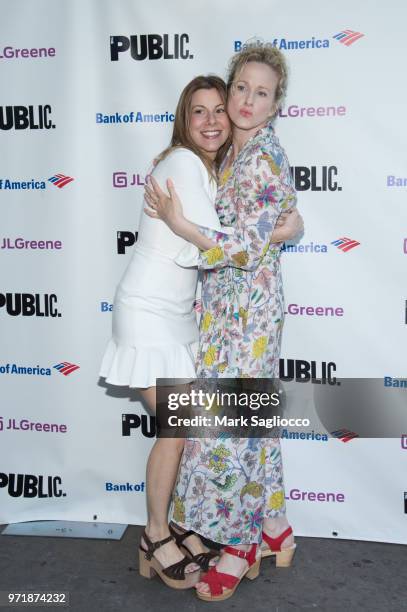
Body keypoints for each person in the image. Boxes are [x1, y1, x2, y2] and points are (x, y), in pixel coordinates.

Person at [144, 44, 302, 601]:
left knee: (234, 425)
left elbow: (244, 247)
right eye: (241, 88)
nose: (246, 100)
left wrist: (181, 224)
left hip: (249, 312)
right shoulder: (231, 154)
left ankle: (239, 546)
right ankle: (275, 527)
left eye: (261, 93)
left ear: (275, 103)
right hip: (222, 309)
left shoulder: (263, 156)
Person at [100, 75, 231, 589]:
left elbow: (198, 241)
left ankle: (174, 524)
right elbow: (203, 246)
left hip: (174, 318)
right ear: (184, 119)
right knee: (176, 430)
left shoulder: (199, 170)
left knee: (184, 431)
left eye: (219, 109)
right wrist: (270, 233)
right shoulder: (181, 164)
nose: (212, 120)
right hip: (149, 314)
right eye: (199, 111)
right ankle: (154, 537)